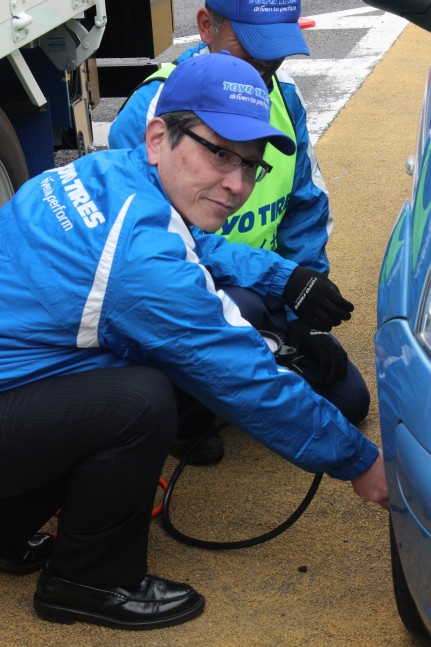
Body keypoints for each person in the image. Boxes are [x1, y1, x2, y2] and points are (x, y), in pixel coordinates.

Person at [0, 52, 387, 632]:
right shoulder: (139, 264)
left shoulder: (107, 176)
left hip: (16, 388)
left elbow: (192, 247)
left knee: (137, 377)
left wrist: (283, 276)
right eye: (219, 152)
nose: (236, 183)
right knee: (143, 399)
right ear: (159, 136)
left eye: (250, 165)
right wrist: (360, 462)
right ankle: (88, 580)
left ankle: (7, 531)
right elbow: (241, 375)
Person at [109, 0, 371, 465]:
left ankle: (239, 370)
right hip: (188, 296)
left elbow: (304, 208)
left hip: (264, 290)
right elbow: (143, 251)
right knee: (239, 312)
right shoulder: (154, 107)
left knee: (350, 403)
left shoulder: (283, 96)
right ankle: (188, 413)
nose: (266, 66)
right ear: (206, 26)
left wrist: (303, 313)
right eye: (251, 50)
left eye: (277, 51)